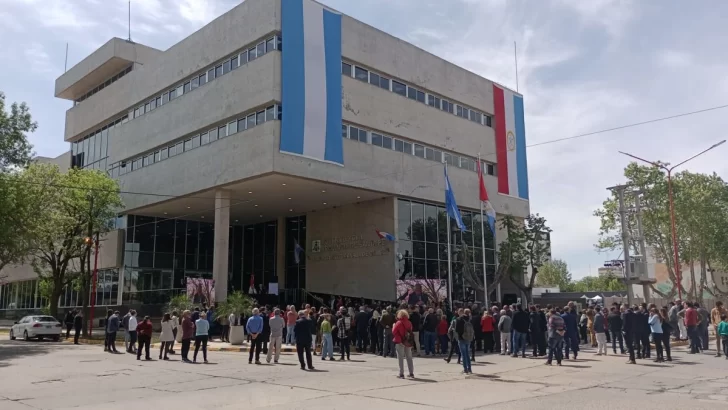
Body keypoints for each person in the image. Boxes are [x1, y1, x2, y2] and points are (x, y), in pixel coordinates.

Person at [392, 309, 415, 379]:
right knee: (409, 357)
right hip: (407, 341)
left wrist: (393, 326)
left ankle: (401, 373)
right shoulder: (409, 322)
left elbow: (394, 332)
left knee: (400, 358)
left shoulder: (398, 323)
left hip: (400, 341)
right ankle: (411, 373)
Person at [456, 309, 474, 374]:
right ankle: (469, 369)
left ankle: (465, 369)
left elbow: (457, 329)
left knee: (463, 354)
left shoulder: (459, 319)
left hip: (461, 338)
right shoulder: (469, 319)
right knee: (467, 354)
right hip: (468, 337)